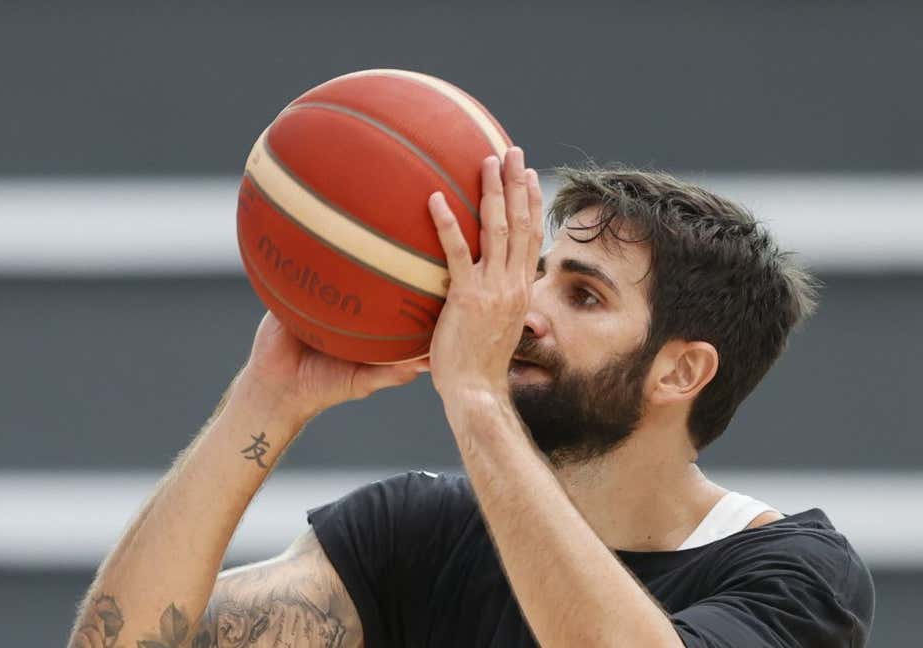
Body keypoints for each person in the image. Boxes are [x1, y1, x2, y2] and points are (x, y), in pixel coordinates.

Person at [67, 149, 874, 648]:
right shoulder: (418, 532)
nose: (524, 309)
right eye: (537, 274)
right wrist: (265, 401)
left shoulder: (796, 575)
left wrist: (479, 399)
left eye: (584, 297)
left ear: (680, 373)